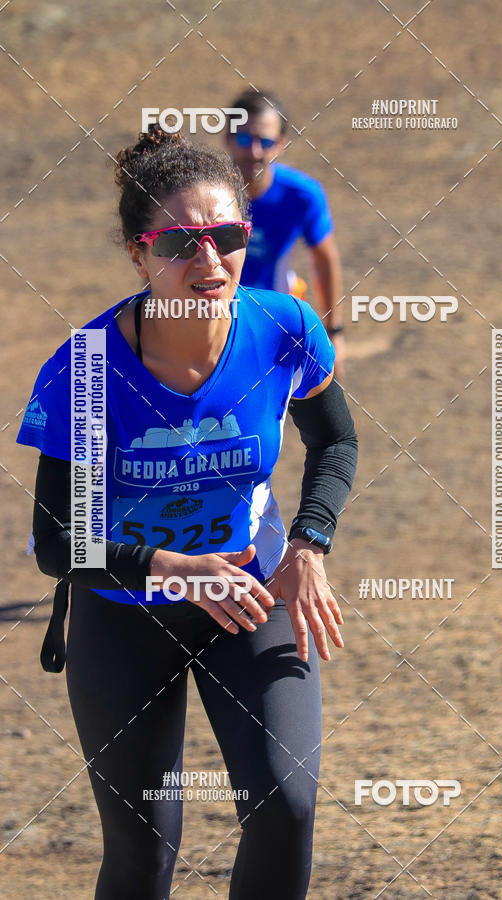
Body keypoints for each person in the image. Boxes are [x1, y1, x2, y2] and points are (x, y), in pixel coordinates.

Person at [16, 127, 358, 899]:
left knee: (287, 801)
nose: (209, 262)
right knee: (144, 852)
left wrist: (309, 545)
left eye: (227, 236)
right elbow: (54, 540)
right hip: (124, 613)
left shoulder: (282, 328)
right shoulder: (89, 367)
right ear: (139, 254)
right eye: (180, 242)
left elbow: (336, 441)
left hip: (248, 593)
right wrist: (172, 569)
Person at [225, 89, 346, 378]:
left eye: (265, 141)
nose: (254, 151)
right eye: (244, 138)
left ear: (280, 145)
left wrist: (334, 333)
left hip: (274, 330)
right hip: (214, 326)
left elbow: (324, 260)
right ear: (227, 138)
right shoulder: (204, 194)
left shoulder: (301, 195)